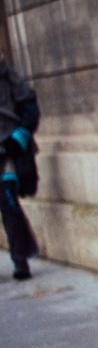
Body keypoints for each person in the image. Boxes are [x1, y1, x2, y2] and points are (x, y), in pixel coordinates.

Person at [0, 55, 39, 281]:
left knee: (9, 206)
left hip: (6, 151)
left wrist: (17, 139)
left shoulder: (8, 75)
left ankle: (20, 259)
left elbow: (30, 108)